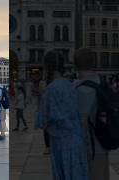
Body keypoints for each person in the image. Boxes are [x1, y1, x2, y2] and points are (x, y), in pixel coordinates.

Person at [35, 50, 88, 180]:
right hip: (78, 141)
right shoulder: (72, 85)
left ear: (48, 67)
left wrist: (41, 95)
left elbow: (41, 121)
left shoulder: (50, 89)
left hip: (61, 145)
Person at [74, 48, 109, 180]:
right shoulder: (102, 83)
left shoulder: (78, 88)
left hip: (88, 146)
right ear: (93, 62)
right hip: (103, 143)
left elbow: (81, 121)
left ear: (75, 65)